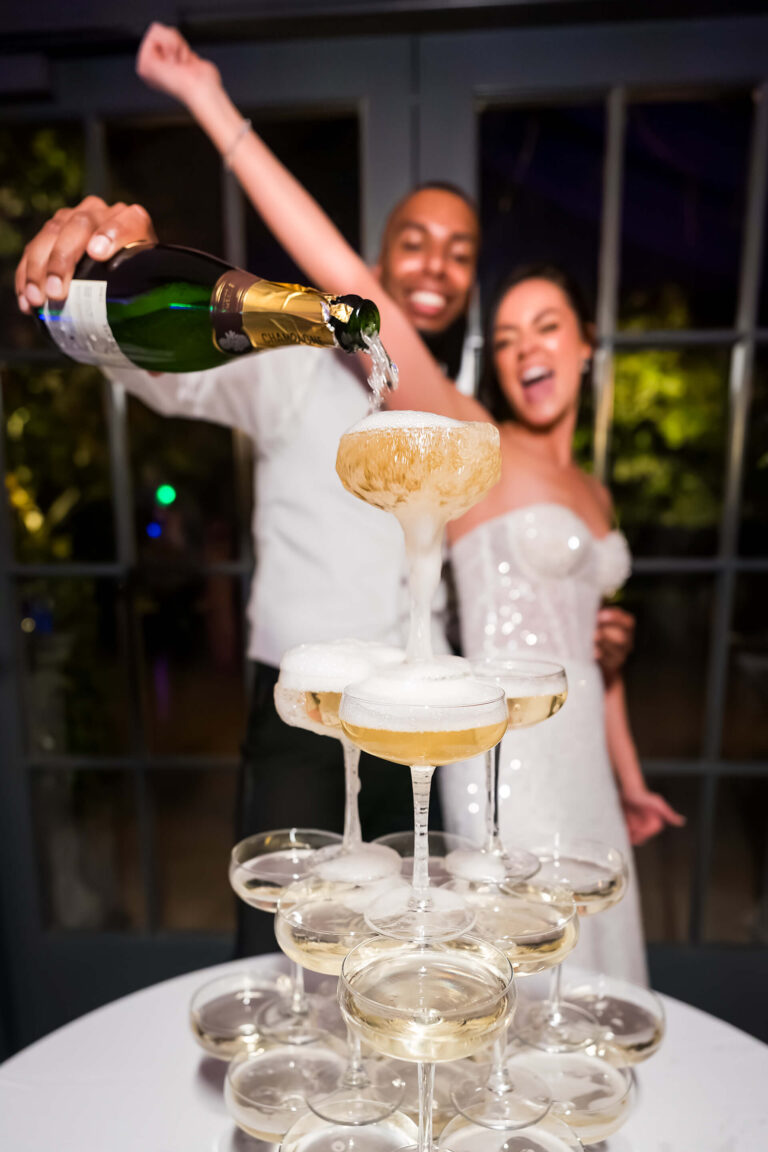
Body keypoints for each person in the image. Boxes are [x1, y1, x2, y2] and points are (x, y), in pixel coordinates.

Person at [15, 24, 637, 958]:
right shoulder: (290, 358)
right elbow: (151, 366)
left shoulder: (464, 421)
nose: (435, 264)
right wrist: (105, 275)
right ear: (377, 262)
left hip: (432, 719)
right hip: (308, 712)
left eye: (459, 251)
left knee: (411, 961)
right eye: (414, 243)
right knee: (289, 952)